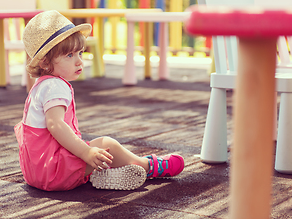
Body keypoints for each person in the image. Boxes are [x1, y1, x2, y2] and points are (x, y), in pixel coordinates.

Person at [14, 10, 184, 192]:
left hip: (35, 173)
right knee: (107, 145)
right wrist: (85, 152)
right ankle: (148, 166)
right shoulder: (55, 86)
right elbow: (55, 124)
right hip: (54, 172)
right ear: (45, 62)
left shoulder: (40, 87)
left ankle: (102, 171)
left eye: (79, 53)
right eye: (69, 56)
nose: (79, 61)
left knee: (95, 152)